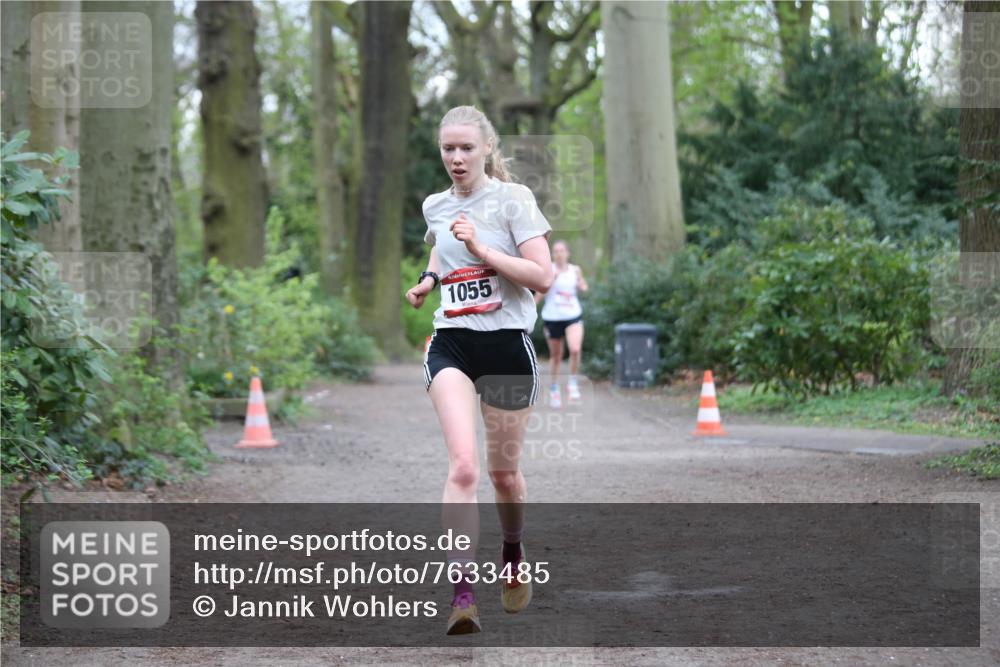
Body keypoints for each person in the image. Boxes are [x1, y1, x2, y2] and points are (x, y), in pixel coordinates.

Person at [404, 105, 553, 635]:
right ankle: (462, 596)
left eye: (467, 147)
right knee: (463, 467)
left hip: (508, 347)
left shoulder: (514, 200)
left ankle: (512, 554)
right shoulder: (435, 205)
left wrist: (483, 248)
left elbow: (542, 275)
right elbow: (443, 254)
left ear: (487, 147)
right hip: (451, 344)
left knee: (503, 475)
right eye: (448, 148)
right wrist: (428, 279)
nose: (457, 157)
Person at [534, 240, 588, 407]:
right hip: (552, 317)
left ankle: (572, 383)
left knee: (575, 349)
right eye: (555, 251)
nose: (558, 254)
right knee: (556, 356)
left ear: (567, 253)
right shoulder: (548, 270)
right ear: (552, 254)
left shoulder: (575, 270)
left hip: (573, 315)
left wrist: (582, 285)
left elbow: (584, 286)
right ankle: (554, 387)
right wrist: (532, 307)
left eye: (561, 250)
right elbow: (540, 293)